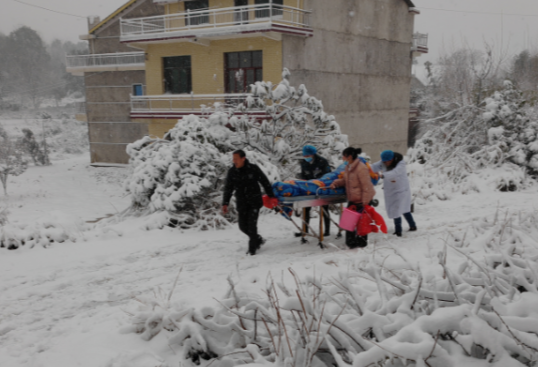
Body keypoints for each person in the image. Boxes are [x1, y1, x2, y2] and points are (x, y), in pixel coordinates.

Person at [222, 150, 276, 255]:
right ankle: (257, 239)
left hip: (254, 201)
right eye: (233, 159)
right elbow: (228, 188)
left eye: (236, 159)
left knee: (252, 226)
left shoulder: (253, 169)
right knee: (242, 226)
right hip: (241, 202)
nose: (234, 161)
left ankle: (252, 250)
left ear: (243, 158)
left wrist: (271, 196)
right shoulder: (232, 171)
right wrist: (225, 203)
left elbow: (264, 181)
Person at [330, 147, 376, 248]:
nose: (342, 158)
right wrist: (336, 183)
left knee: (362, 223)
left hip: (362, 200)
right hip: (353, 200)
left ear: (349, 157)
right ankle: (351, 243)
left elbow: (366, 186)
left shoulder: (361, 168)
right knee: (349, 223)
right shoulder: (349, 167)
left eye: (344, 155)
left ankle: (361, 243)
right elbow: (346, 180)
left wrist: (365, 203)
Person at [371, 150, 417, 237]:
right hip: (391, 190)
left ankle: (398, 231)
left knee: (399, 209)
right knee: (401, 209)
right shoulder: (383, 162)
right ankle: (413, 226)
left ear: (392, 159)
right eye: (383, 162)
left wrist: (383, 175)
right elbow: (373, 167)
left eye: (387, 161)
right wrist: (364, 167)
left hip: (401, 190)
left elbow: (395, 173)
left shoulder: (401, 163)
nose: (385, 163)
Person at [296, 145, 332, 237]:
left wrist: (318, 182)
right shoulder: (304, 163)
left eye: (307, 156)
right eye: (305, 156)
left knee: (324, 208)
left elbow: (328, 176)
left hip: (321, 188)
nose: (306, 158)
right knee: (306, 208)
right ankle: (305, 230)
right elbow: (304, 176)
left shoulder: (322, 162)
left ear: (313, 154)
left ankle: (327, 230)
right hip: (309, 189)